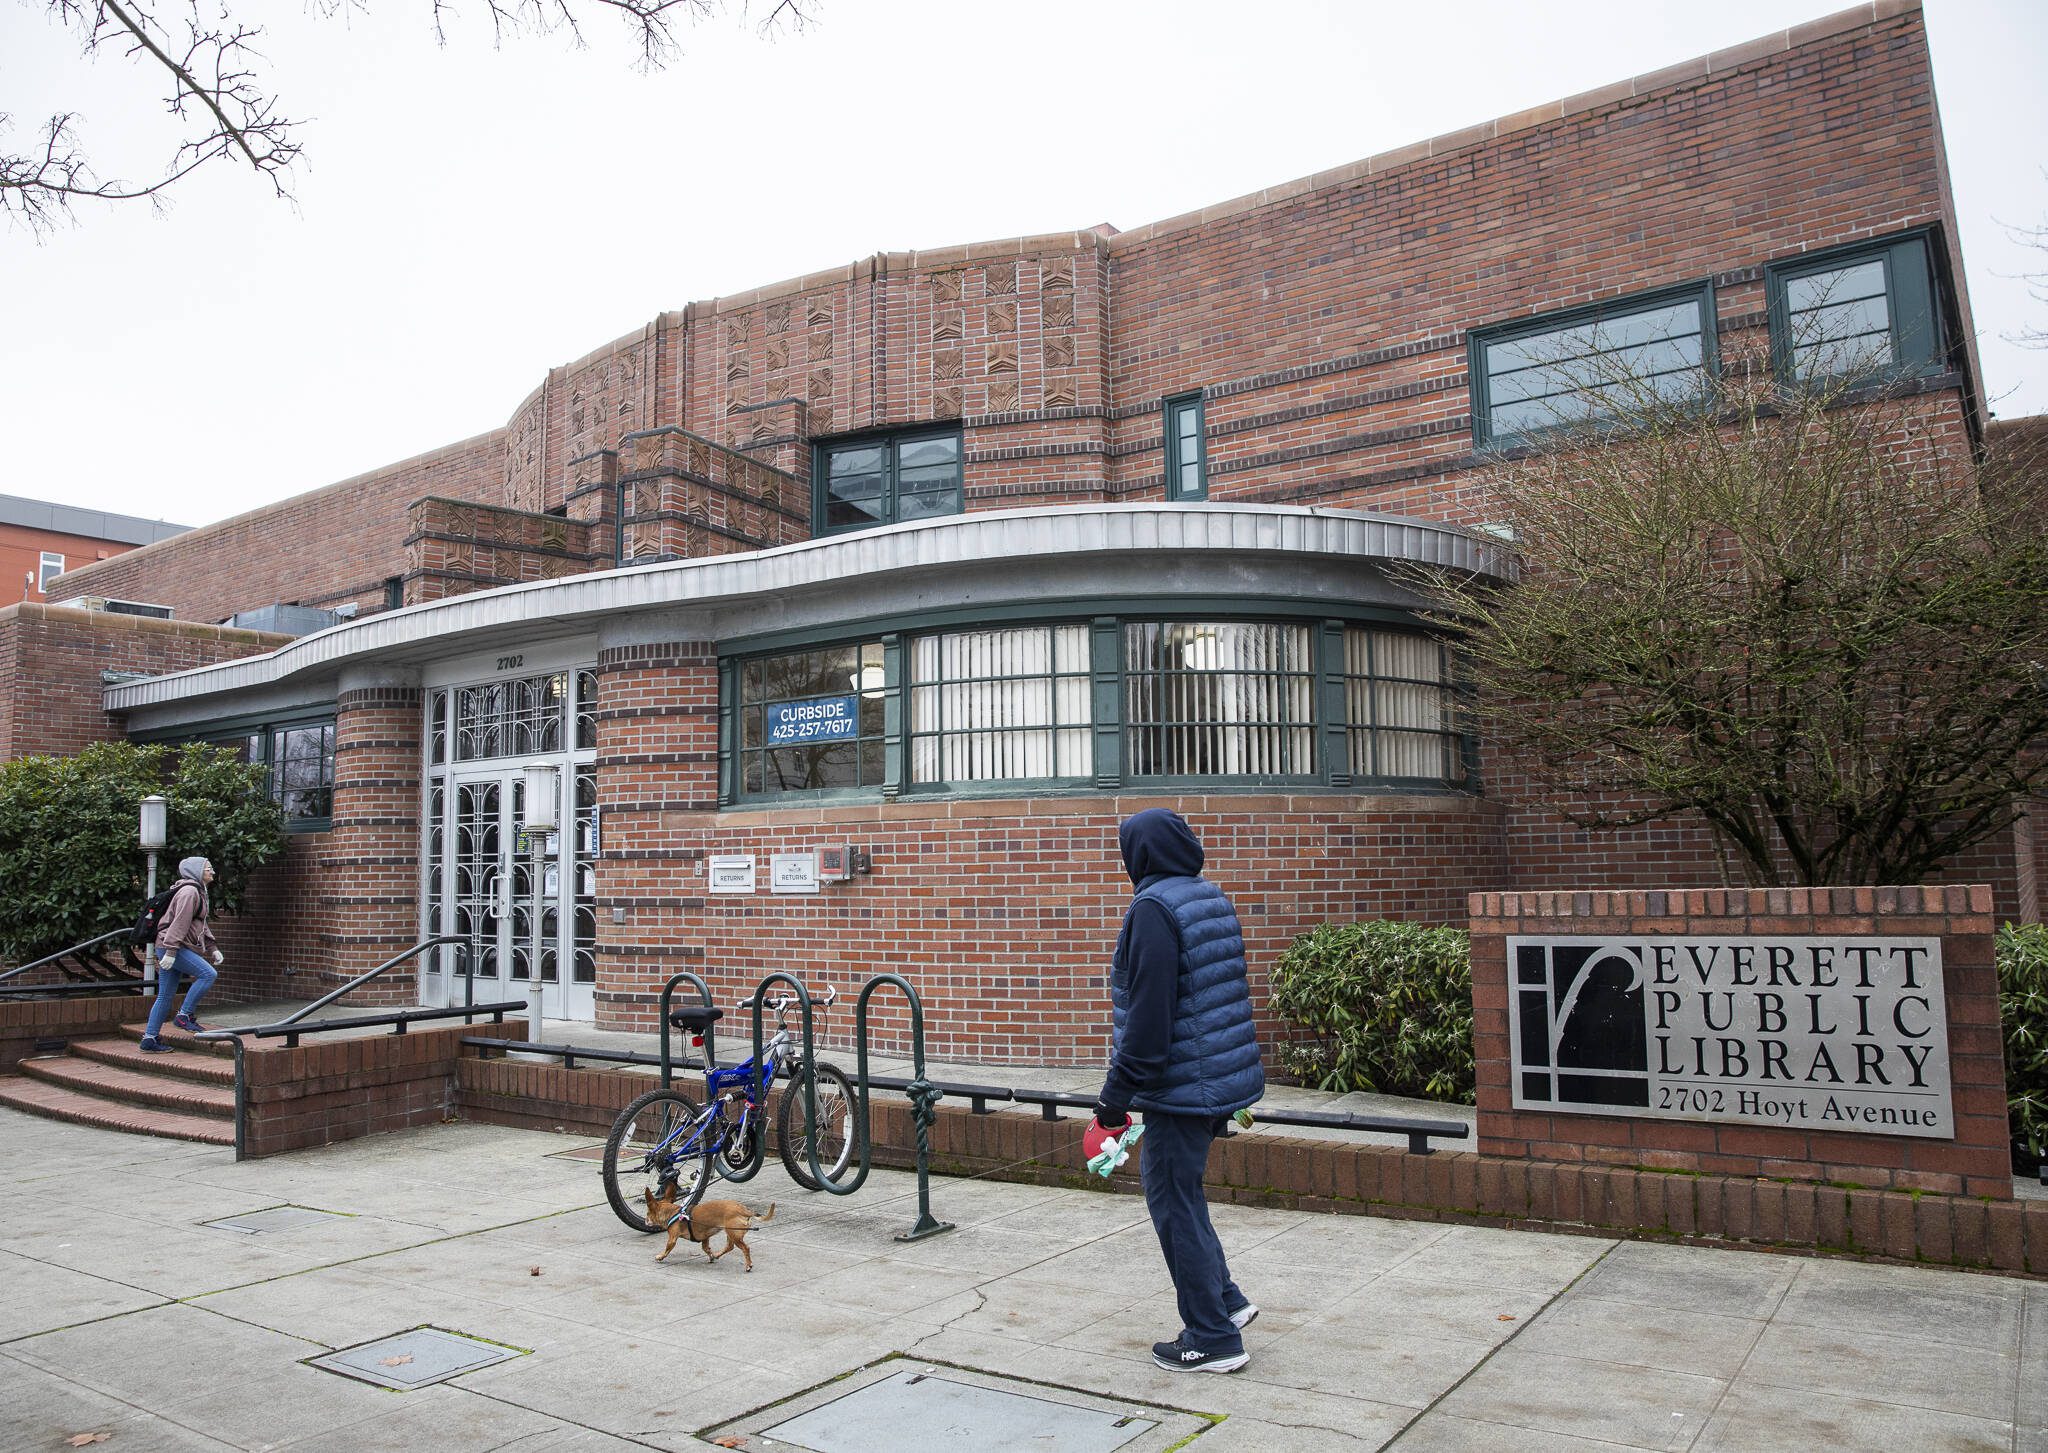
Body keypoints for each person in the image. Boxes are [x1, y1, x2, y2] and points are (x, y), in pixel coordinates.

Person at [1086, 808, 1265, 1373]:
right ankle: (1227, 1303)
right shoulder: (1206, 895)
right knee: (1185, 1195)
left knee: (1171, 1203)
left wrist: (1114, 1100)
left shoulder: (1154, 909)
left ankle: (1211, 1338)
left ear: (1137, 854)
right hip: (1214, 1079)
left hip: (1185, 1086)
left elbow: (1149, 1020)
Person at [139, 856, 223, 1052]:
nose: (212, 872)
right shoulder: (189, 892)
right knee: (208, 974)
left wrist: (212, 947)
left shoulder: (197, 891)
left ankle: (149, 1039)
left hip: (171, 947)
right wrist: (171, 950)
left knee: (165, 996)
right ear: (196, 871)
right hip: (174, 947)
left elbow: (199, 924)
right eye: (208, 869)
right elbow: (180, 922)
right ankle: (184, 1015)